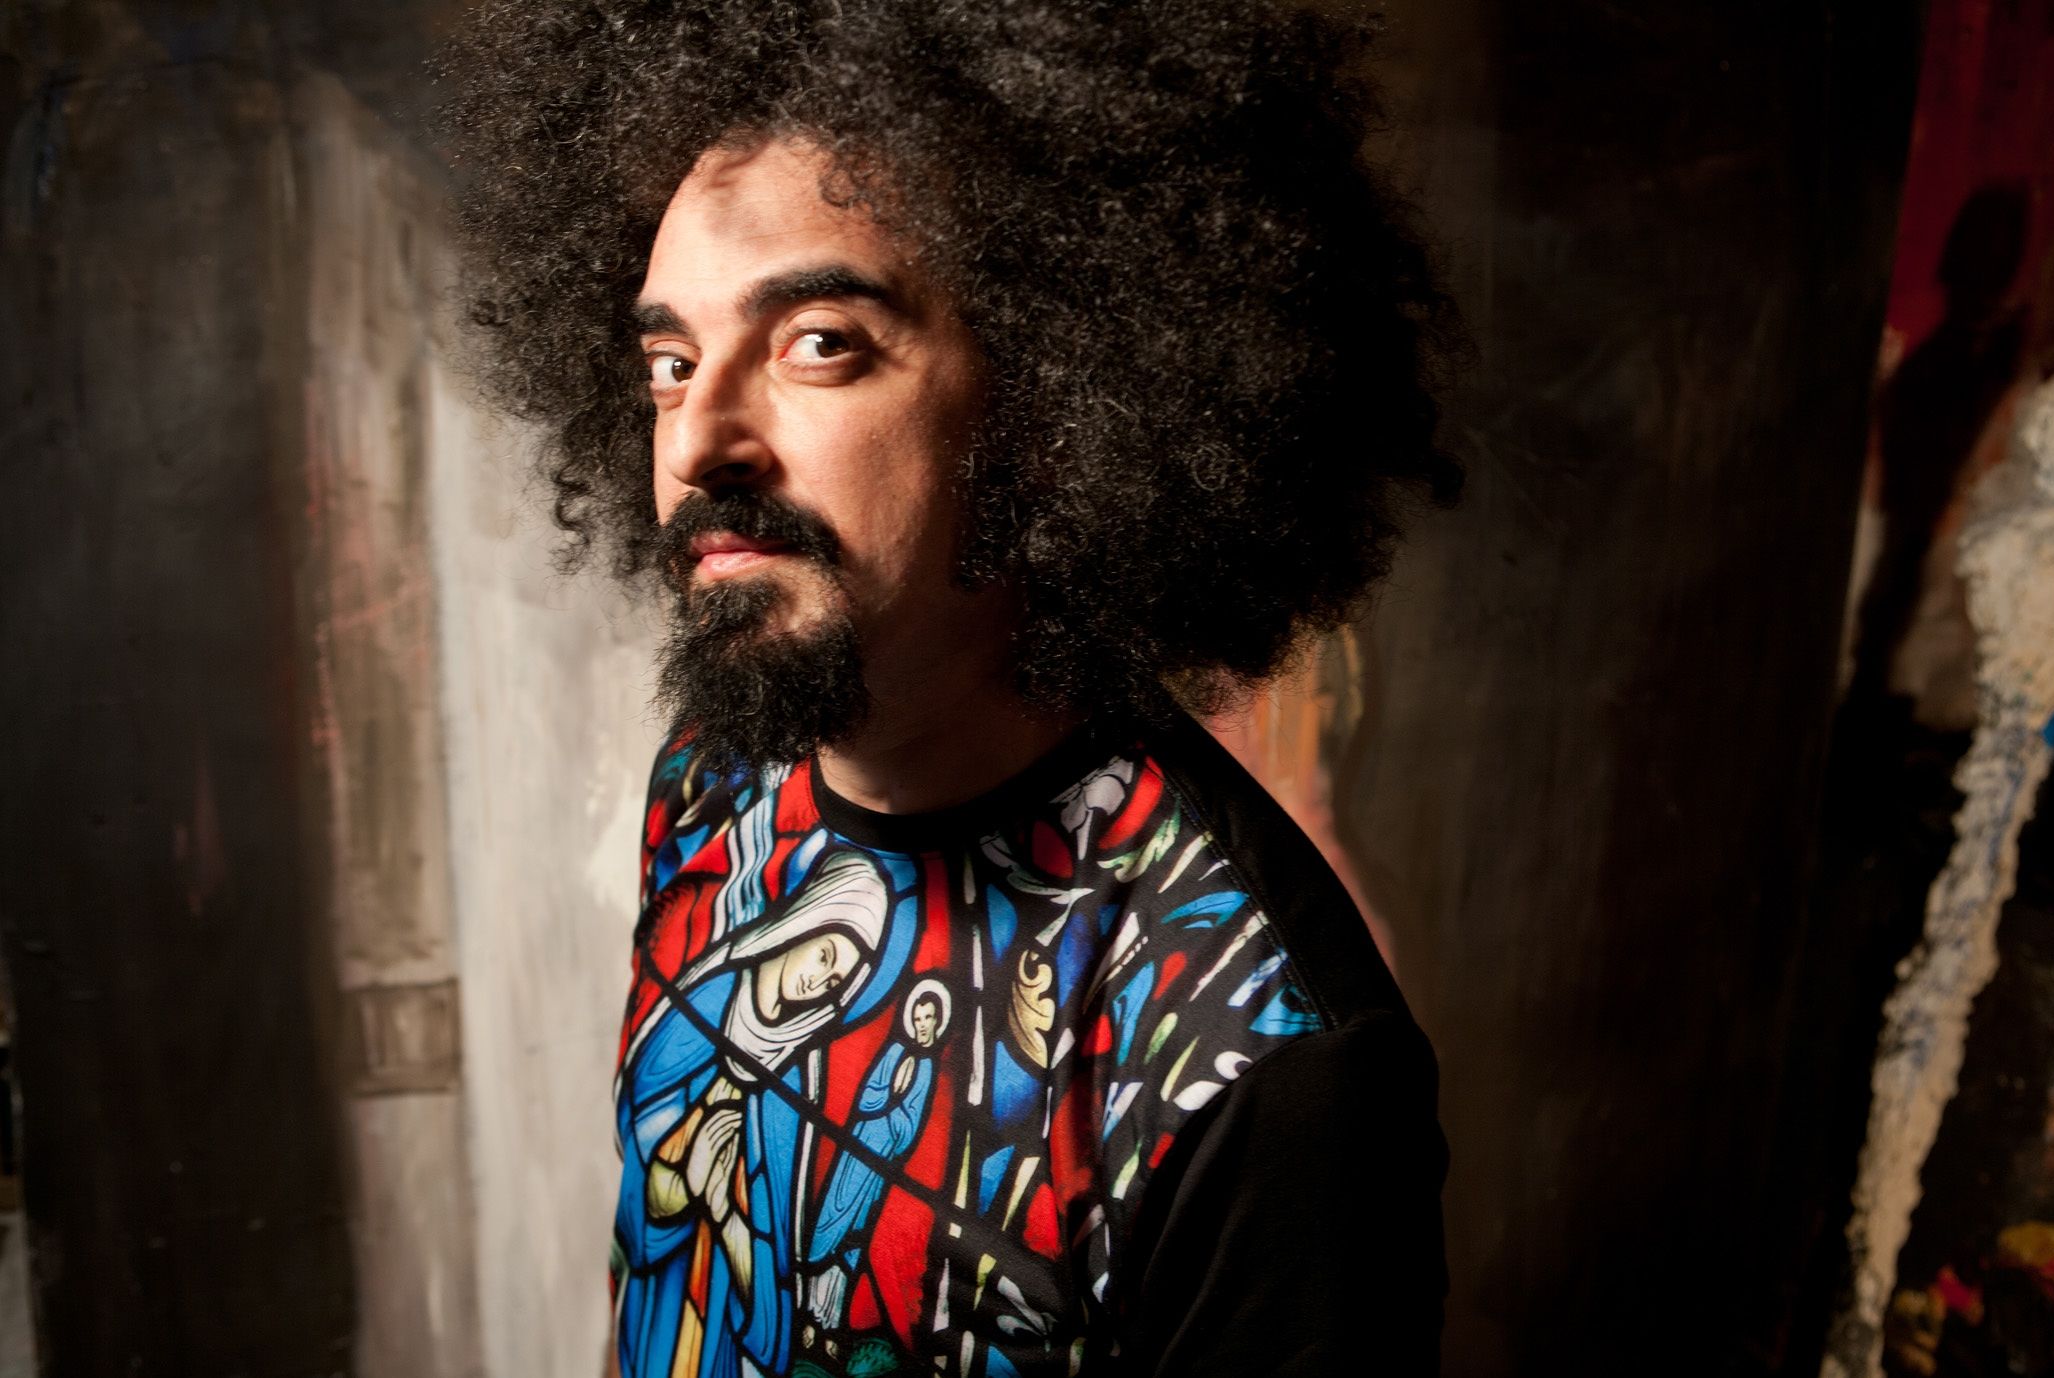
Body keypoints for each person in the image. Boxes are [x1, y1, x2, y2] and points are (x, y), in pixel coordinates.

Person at [443, 0, 1458, 1373]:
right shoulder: (717, 774)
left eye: (819, 342)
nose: (697, 442)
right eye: (670, 364)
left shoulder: (1263, 1058)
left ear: (1054, 399)